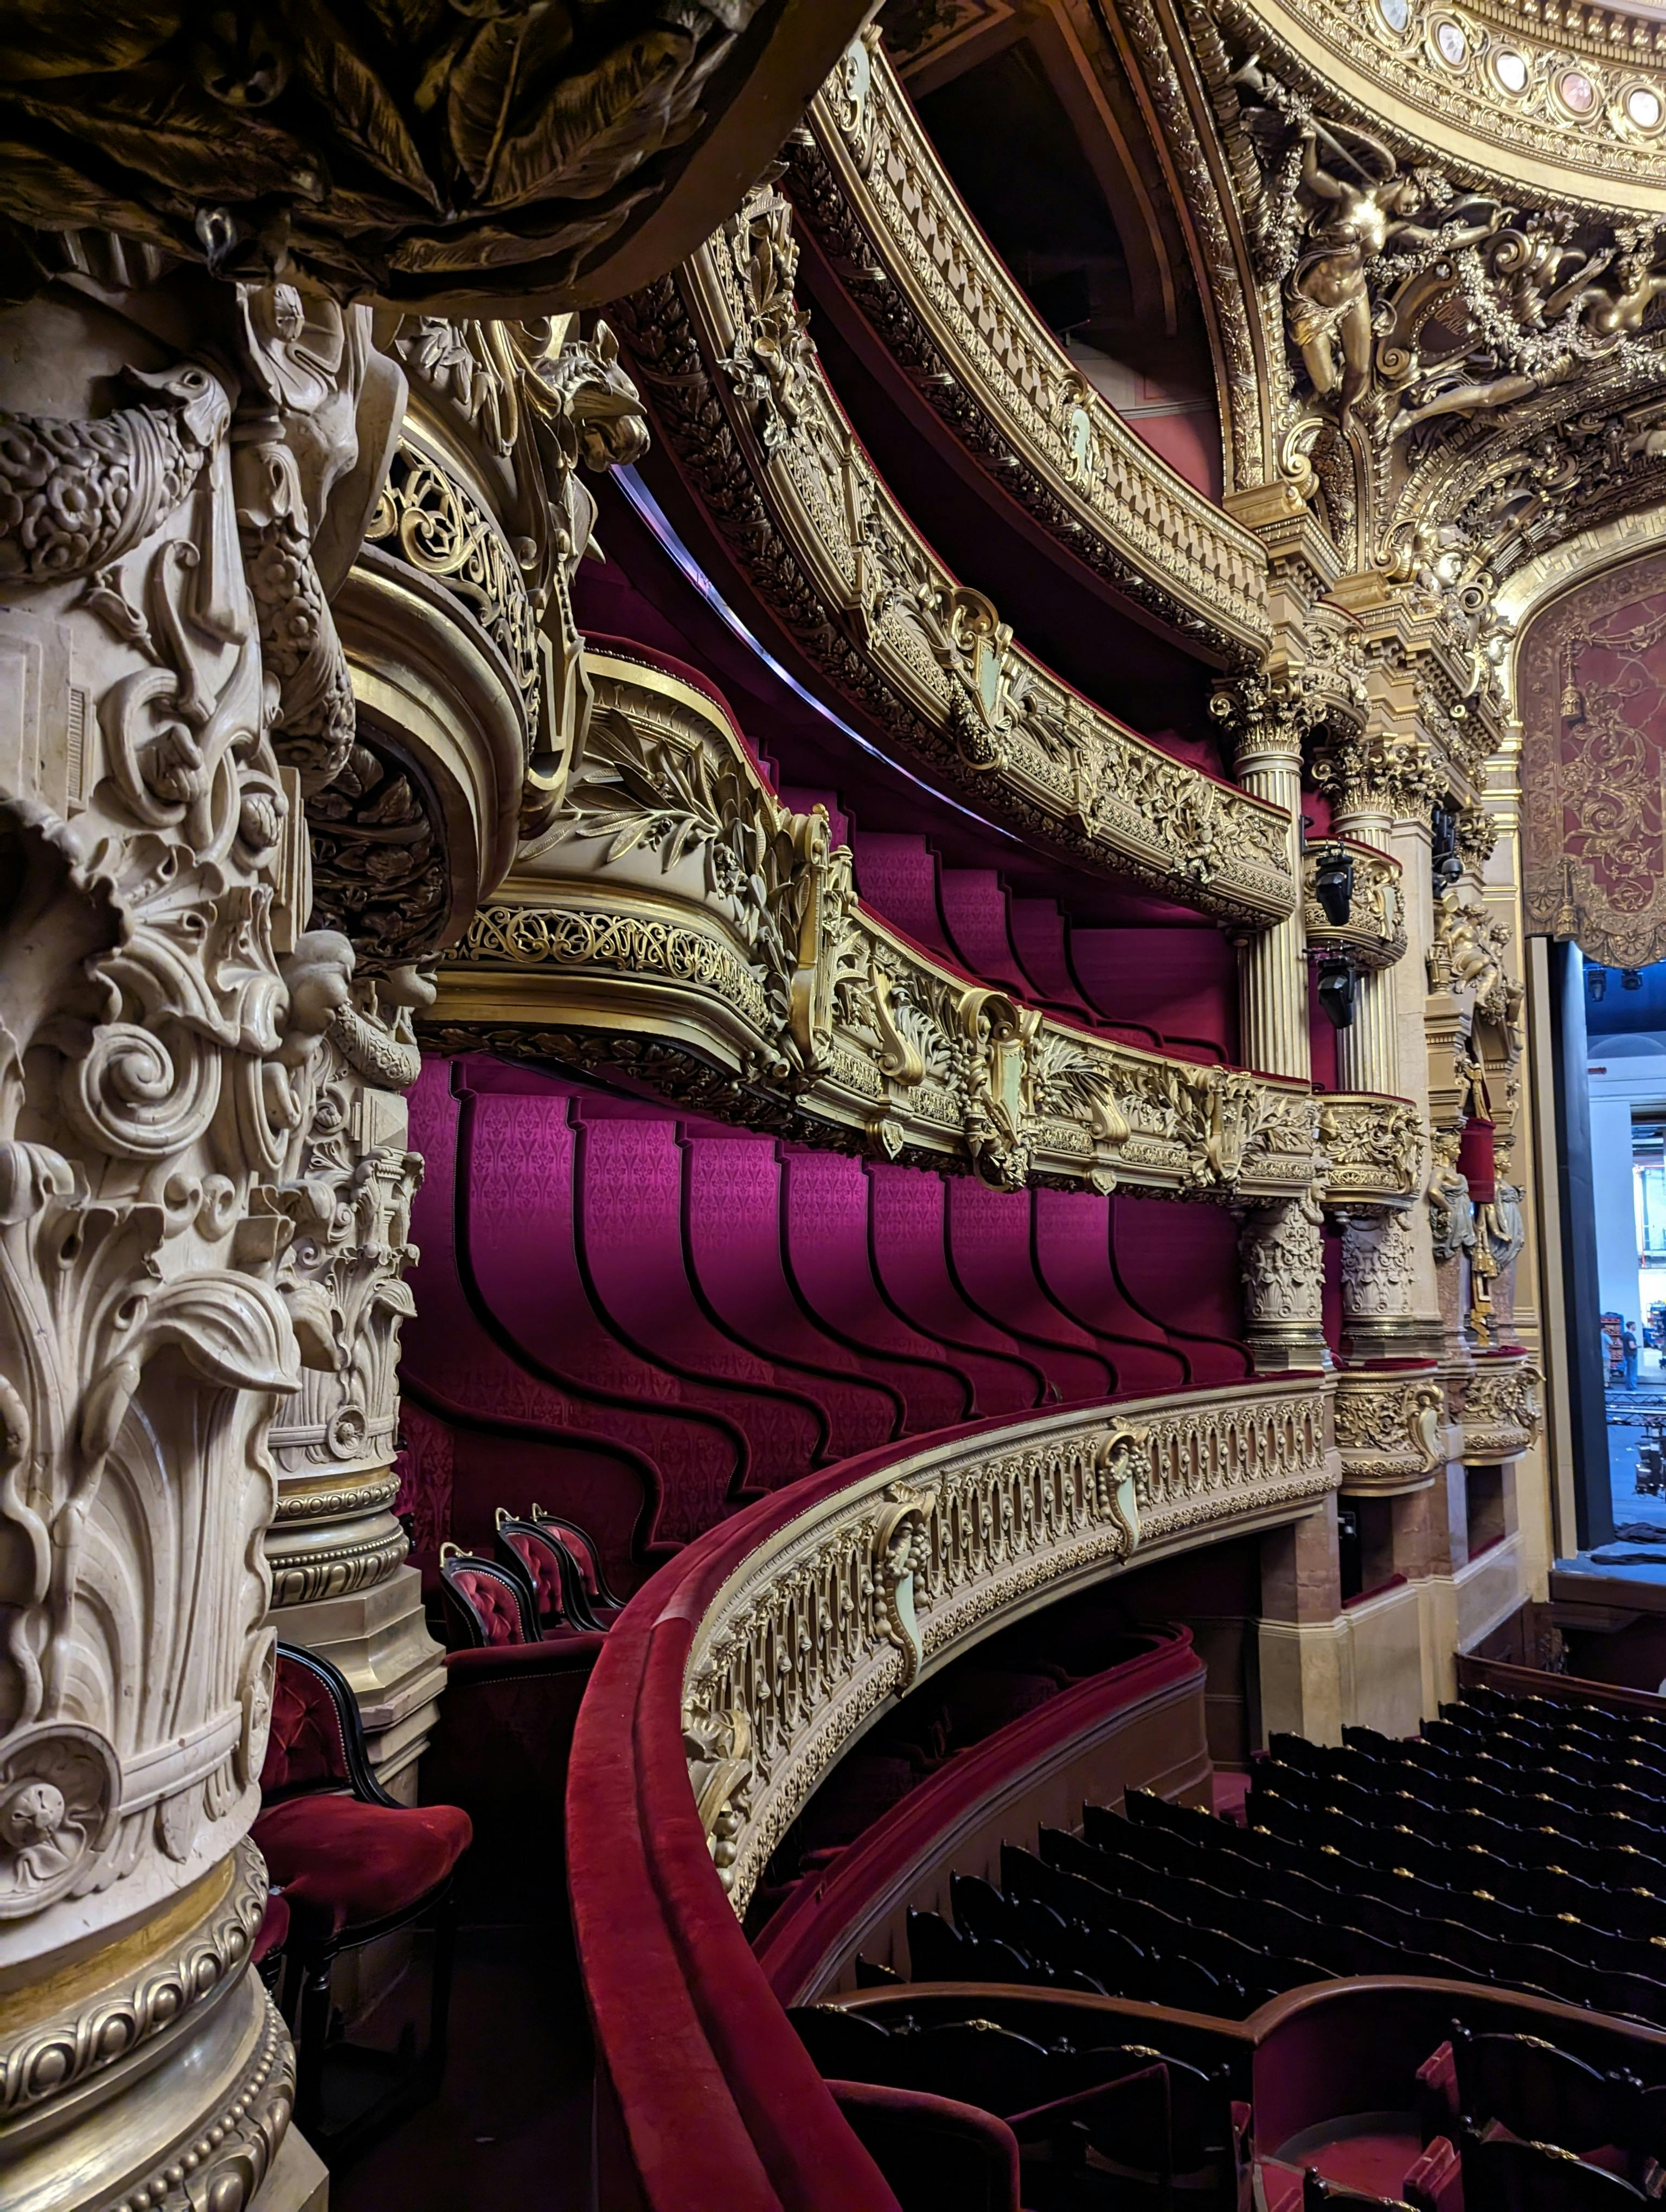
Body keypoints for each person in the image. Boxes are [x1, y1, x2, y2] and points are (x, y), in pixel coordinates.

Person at [1625, 1321, 1641, 1390]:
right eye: (1634, 1325)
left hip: (1627, 1355)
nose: (1635, 1327)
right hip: (1632, 1355)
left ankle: (1628, 1386)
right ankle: (1633, 1387)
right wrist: (1638, 1346)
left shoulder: (1625, 1335)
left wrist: (1624, 1348)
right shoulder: (1631, 1336)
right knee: (1633, 1372)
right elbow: (1632, 1346)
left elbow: (1618, 1341)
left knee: (1629, 1372)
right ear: (1631, 1326)